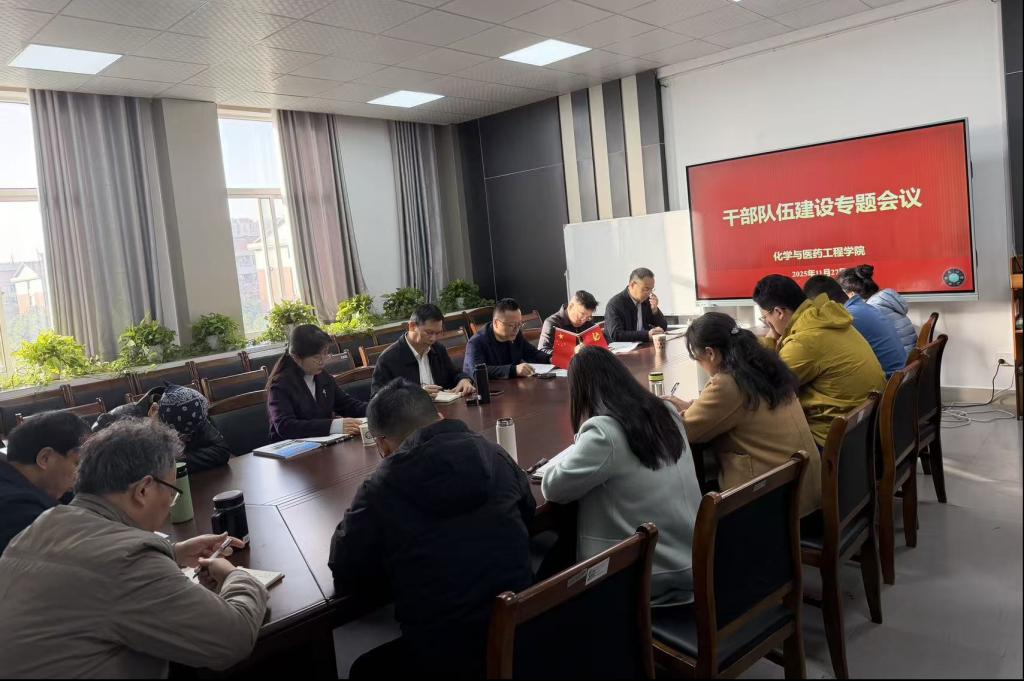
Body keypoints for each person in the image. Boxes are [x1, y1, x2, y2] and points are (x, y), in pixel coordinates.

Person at [0, 419, 268, 677]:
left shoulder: (45, 523)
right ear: (143, 490)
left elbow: (86, 574)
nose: (170, 506)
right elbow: (233, 639)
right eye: (172, 493)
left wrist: (173, 552)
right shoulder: (126, 561)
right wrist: (236, 575)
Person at [329, 379, 534, 678]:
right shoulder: (495, 453)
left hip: (445, 656)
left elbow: (346, 568)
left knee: (363, 669)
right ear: (439, 416)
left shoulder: (381, 488)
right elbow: (527, 512)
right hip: (523, 632)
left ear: (382, 445)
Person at [541, 346, 702, 606]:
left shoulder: (604, 432)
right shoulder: (665, 411)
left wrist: (577, 445)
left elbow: (553, 488)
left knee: (550, 554)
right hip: (693, 556)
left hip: (648, 572)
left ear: (581, 392)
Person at [662, 312, 821, 516]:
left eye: (697, 359)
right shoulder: (763, 366)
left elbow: (687, 431)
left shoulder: (728, 382)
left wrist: (667, 410)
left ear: (710, 353)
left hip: (773, 506)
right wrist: (694, 405)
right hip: (804, 492)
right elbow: (737, 409)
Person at [753, 274, 885, 447]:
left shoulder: (804, 340)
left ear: (778, 312)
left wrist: (770, 340)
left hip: (833, 441)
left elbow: (764, 389)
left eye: (765, 318)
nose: (767, 323)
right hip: (862, 431)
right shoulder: (826, 318)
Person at [0, 411, 90, 555]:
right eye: (77, 463)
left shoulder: (18, 480)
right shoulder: (18, 512)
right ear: (45, 458)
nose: (82, 474)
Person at [94, 384, 234, 472]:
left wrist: (170, 464)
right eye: (175, 434)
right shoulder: (113, 423)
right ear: (154, 410)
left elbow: (220, 451)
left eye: (186, 436)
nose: (182, 441)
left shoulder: (190, 411)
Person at [267, 324, 367, 441]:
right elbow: (285, 426)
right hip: (292, 448)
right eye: (316, 357)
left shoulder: (323, 377)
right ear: (296, 358)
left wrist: (376, 410)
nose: (322, 361)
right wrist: (333, 426)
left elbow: (348, 405)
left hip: (324, 445)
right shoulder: (280, 384)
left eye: (325, 353)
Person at [804, 275, 908, 376]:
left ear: (823, 301)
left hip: (888, 379)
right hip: (899, 376)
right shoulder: (861, 307)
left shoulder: (847, 317)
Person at [370, 303, 475, 397]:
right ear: (412, 326)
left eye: (438, 333)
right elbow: (377, 398)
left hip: (443, 408)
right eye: (429, 333)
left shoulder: (438, 349)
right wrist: (415, 394)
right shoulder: (388, 358)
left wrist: (464, 380)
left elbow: (455, 373)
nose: (433, 339)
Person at [463, 298, 552, 379]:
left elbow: (532, 353)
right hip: (487, 389)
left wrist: (550, 359)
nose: (516, 329)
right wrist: (513, 370)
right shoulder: (476, 342)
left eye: (519, 324)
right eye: (511, 325)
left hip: (512, 386)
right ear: (496, 323)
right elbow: (477, 371)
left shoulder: (516, 334)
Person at [838, 264, 917, 353]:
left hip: (902, 356)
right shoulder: (884, 298)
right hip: (910, 352)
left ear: (852, 293)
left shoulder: (871, 308)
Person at [603, 267, 669, 343]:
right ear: (632, 285)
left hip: (642, 345)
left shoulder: (646, 301)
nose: (649, 293)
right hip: (620, 348)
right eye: (646, 289)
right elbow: (616, 334)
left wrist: (655, 311)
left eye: (651, 289)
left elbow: (663, 327)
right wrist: (646, 335)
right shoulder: (615, 304)